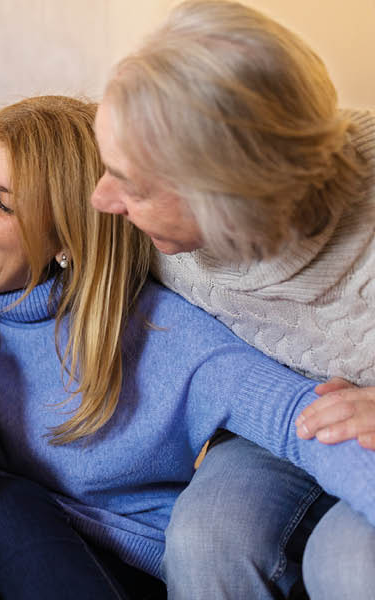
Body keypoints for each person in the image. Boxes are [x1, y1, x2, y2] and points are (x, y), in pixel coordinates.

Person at [0, 95, 375, 599]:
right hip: (20, 532)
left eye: (5, 202)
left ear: (66, 241)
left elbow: (302, 419)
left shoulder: (164, 334)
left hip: (137, 564)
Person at [90, 1, 375, 597]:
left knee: (346, 562)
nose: (101, 198)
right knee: (204, 540)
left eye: (132, 186)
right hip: (271, 422)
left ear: (229, 205)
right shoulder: (142, 221)